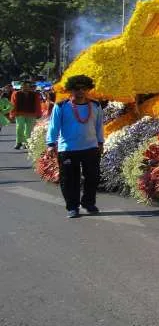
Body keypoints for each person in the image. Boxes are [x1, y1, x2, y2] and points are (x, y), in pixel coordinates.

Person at [46, 75, 105, 218]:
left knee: (92, 177)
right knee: (69, 179)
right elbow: (54, 126)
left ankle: (88, 203)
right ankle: (72, 207)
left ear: (88, 89)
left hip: (90, 147)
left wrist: (100, 142)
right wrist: (51, 144)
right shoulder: (61, 106)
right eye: (76, 89)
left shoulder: (96, 105)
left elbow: (99, 125)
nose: (80, 91)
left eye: (84, 88)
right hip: (68, 149)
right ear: (70, 90)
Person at [11, 80, 42, 150]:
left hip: (31, 114)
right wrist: (12, 113)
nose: (26, 87)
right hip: (19, 113)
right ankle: (19, 142)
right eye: (24, 86)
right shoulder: (16, 93)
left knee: (29, 129)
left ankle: (26, 143)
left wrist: (39, 113)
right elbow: (13, 104)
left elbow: (38, 104)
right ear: (21, 86)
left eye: (27, 86)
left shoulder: (35, 94)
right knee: (19, 127)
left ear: (29, 87)